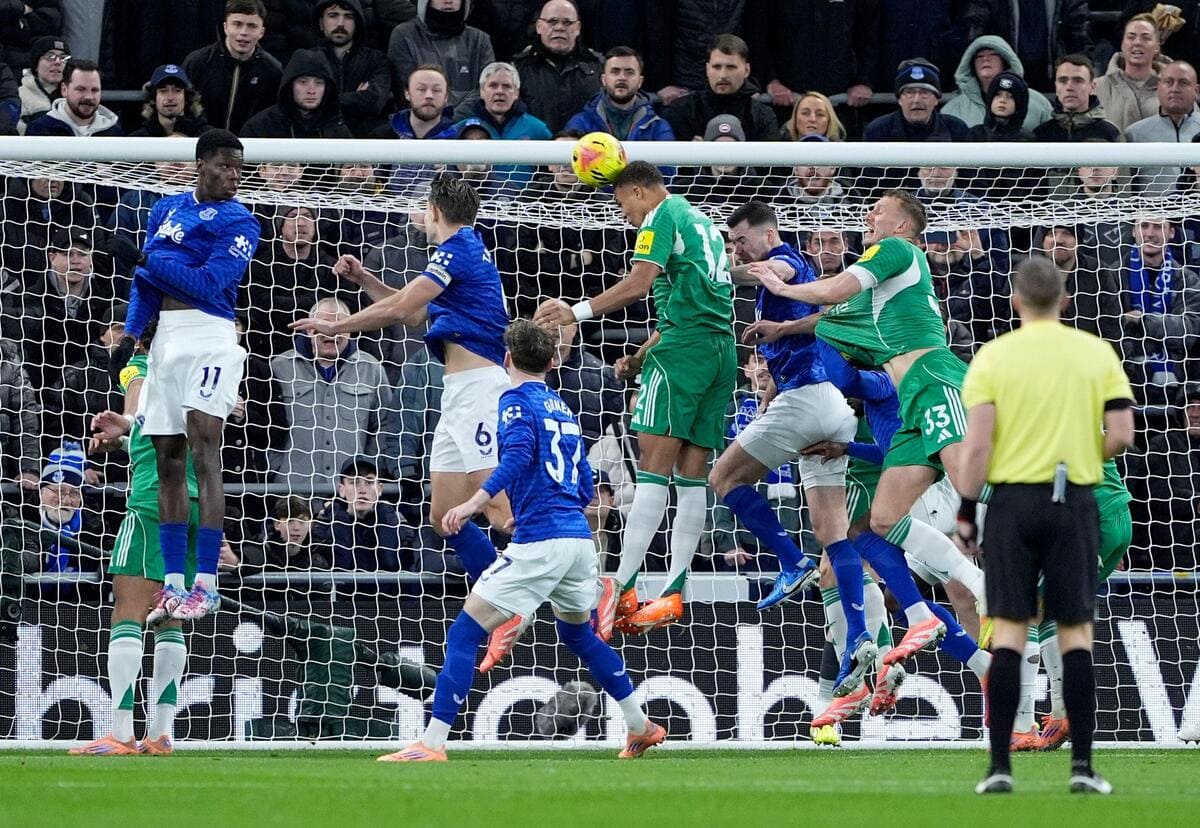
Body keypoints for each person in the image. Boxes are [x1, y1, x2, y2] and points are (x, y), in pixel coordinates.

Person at [376, 320, 665, 762]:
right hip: (579, 542)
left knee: (464, 632)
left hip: (543, 543)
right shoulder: (563, 408)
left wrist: (476, 501)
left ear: (507, 359)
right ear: (553, 362)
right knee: (580, 636)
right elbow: (586, 483)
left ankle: (431, 744)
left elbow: (514, 457)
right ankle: (640, 725)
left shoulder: (513, 401)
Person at [751, 191, 971, 700]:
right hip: (911, 421)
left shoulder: (897, 252)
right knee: (861, 538)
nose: (869, 217)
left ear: (906, 227)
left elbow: (834, 301)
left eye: (879, 210)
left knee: (959, 525)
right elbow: (832, 314)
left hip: (931, 386)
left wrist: (784, 285)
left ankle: (945, 647)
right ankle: (898, 656)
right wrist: (787, 329)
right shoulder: (875, 309)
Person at [290, 172, 513, 601]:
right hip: (458, 393)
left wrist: (336, 323)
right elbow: (413, 312)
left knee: (500, 509)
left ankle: (561, 585)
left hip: (481, 390)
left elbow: (403, 308)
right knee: (445, 514)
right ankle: (503, 594)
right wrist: (364, 282)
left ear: (433, 211)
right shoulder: (463, 255)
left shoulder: (458, 249)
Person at [534, 161, 736, 632]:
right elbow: (690, 310)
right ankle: (672, 591)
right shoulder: (700, 219)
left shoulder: (660, 217)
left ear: (640, 191)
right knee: (691, 476)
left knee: (652, 471)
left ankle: (620, 588)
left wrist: (575, 312)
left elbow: (639, 283)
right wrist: (641, 356)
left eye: (623, 203)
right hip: (719, 351)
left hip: (684, 353)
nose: (624, 214)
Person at [959, 256, 1135, 795]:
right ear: (1065, 300)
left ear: (1015, 300)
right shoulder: (1095, 353)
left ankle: (998, 770)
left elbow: (979, 445)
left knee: (1010, 634)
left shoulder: (993, 357)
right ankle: (1082, 769)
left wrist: (967, 510)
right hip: (1075, 499)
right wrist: (1083, 454)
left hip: (1014, 504)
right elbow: (1123, 433)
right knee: (1076, 635)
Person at [104, 129, 262, 622]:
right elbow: (144, 283)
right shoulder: (165, 210)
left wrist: (146, 258)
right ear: (200, 164)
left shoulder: (242, 222)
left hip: (210, 336)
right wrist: (130, 338)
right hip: (167, 340)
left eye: (240, 168)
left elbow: (208, 283)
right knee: (167, 455)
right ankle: (173, 583)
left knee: (203, 447)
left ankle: (207, 584)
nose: (234, 176)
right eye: (224, 166)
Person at [710, 201, 855, 610]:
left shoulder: (784, 258)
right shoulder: (778, 282)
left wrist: (711, 268)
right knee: (832, 535)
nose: (737, 250)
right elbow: (794, 345)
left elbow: (777, 272)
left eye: (741, 241)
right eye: (732, 243)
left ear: (768, 234)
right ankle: (857, 633)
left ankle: (791, 562)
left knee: (723, 479)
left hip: (806, 401)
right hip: (828, 405)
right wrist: (769, 393)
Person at [66, 332, 200, 756]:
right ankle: (161, 735)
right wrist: (127, 435)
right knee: (169, 614)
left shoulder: (138, 366)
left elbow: (142, 408)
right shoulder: (196, 369)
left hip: (152, 499)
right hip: (197, 499)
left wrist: (126, 418)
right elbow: (162, 426)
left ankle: (122, 735)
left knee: (128, 610)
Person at [268, 297, 388, 489]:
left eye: (338, 326)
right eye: (322, 326)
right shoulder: (279, 368)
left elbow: (385, 425)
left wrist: (368, 470)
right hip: (292, 490)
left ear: (350, 330)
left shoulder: (371, 369)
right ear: (308, 328)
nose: (330, 333)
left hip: (352, 496)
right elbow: (263, 427)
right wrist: (277, 469)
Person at [181, 0, 283, 134]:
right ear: (225, 27)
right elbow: (183, 108)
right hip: (202, 146)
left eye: (252, 26)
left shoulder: (272, 70)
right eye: (237, 24)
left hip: (252, 149)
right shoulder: (198, 62)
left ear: (262, 32)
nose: (244, 32)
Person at [661, 33, 776, 142]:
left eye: (731, 67)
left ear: (746, 70)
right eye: (717, 67)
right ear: (707, 69)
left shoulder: (763, 117)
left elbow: (771, 161)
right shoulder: (680, 111)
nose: (723, 75)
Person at [387, 0, 494, 116]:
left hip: (470, 125)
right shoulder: (404, 35)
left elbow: (487, 90)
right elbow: (406, 92)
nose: (448, 1)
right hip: (421, 124)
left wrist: (454, 117)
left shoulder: (479, 39)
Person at [963, 0, 1093, 91]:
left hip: (1054, 80)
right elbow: (975, 37)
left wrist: (1078, 77)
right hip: (1003, 83)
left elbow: (1080, 39)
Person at [513, 0, 602, 132]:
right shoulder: (518, 68)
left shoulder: (599, 67)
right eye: (552, 22)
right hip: (536, 148)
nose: (559, 27)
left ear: (578, 28)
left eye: (567, 22)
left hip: (586, 149)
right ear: (538, 26)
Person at [312, 457, 411, 572]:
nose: (362, 490)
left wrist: (386, 517)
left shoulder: (395, 522)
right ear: (342, 490)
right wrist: (339, 519)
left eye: (369, 482)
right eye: (354, 482)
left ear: (379, 489)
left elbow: (394, 563)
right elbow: (340, 567)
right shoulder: (325, 525)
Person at [312, 0, 392, 137]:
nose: (340, 24)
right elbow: (299, 104)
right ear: (321, 22)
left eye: (348, 16)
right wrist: (355, 98)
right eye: (333, 15)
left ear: (358, 23)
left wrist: (324, 100)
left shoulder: (377, 60)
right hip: (318, 142)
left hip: (366, 143)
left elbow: (375, 102)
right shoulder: (307, 59)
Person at [943, 36, 1054, 131]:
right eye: (979, 56)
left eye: (992, 54)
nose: (985, 59)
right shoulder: (953, 109)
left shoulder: (1038, 103)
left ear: (1005, 60)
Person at [564, 46, 674, 141]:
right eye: (615, 72)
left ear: (640, 81)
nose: (622, 78)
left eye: (629, 72)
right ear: (603, 79)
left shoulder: (658, 127)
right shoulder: (580, 123)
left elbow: (668, 165)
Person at [240, 49, 353, 138]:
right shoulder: (261, 126)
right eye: (303, 82)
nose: (311, 90)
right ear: (290, 85)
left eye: (319, 83)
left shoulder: (337, 129)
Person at [1126, 60, 1200, 196]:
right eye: (1168, 82)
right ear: (1158, 87)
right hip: (1151, 215)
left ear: (1196, 90)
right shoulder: (1135, 134)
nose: (1175, 89)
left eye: (1183, 83)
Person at [863, 58, 970, 141]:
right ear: (899, 99)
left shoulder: (956, 129)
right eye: (909, 92)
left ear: (936, 99)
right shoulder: (878, 130)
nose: (917, 100)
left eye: (925, 92)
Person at [1095, 13, 1162, 133]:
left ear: (1157, 47)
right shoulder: (1096, 87)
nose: (1137, 42)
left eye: (1145, 38)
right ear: (1122, 45)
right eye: (1131, 37)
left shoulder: (1176, 87)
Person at [1032, 55, 1123, 142]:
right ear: (1056, 87)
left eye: (1078, 81)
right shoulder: (1041, 134)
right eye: (1063, 81)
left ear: (1092, 87)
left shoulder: (1110, 133)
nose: (1069, 87)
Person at [25, 58, 122, 136]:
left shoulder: (114, 132)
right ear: (64, 89)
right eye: (81, 89)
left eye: (95, 90)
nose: (89, 97)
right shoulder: (39, 130)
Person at [130, 64, 208, 138]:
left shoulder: (206, 136)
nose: (170, 98)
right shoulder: (137, 140)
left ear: (187, 97)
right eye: (163, 91)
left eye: (177, 91)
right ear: (153, 98)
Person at [16, 35, 67, 133]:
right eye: (49, 56)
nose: (57, 62)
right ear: (36, 64)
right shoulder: (19, 97)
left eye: (63, 58)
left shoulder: (75, 96)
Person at [781, 92, 845, 141]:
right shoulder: (778, 152)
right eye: (805, 113)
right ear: (795, 118)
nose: (812, 119)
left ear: (829, 121)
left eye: (820, 114)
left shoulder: (844, 154)